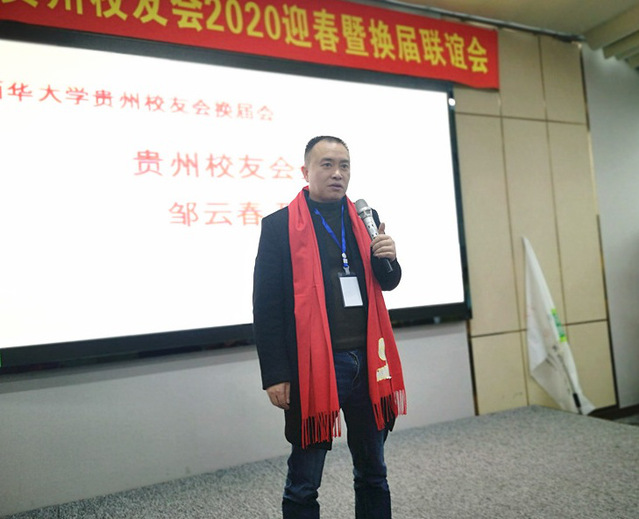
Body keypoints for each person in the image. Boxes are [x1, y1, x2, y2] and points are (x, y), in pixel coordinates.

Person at [253, 135, 406, 519]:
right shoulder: (279, 227)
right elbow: (266, 307)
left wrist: (389, 257)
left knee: (373, 472)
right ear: (305, 172)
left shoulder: (364, 219)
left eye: (344, 165)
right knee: (305, 481)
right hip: (315, 366)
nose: (337, 173)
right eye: (327, 164)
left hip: (369, 361)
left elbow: (387, 281)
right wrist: (275, 374)